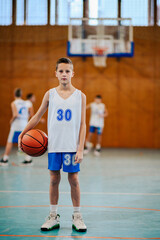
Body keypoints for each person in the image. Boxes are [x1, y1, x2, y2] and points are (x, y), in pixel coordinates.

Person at [18, 58, 87, 232]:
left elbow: (83, 124)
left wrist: (80, 148)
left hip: (71, 146)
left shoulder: (81, 95)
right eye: (61, 71)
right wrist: (23, 133)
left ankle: (77, 216)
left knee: (74, 180)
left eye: (67, 71)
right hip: (54, 145)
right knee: (54, 179)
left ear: (73, 73)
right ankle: (53, 215)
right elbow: (37, 116)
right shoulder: (50, 94)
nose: (64, 74)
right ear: (55, 73)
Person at [0, 88, 32, 166]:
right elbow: (30, 114)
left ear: (14, 94)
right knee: (24, 142)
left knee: (10, 141)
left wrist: (11, 120)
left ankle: (5, 159)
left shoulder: (14, 103)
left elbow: (15, 114)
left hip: (16, 125)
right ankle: (28, 159)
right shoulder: (26, 103)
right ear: (21, 95)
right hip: (25, 124)